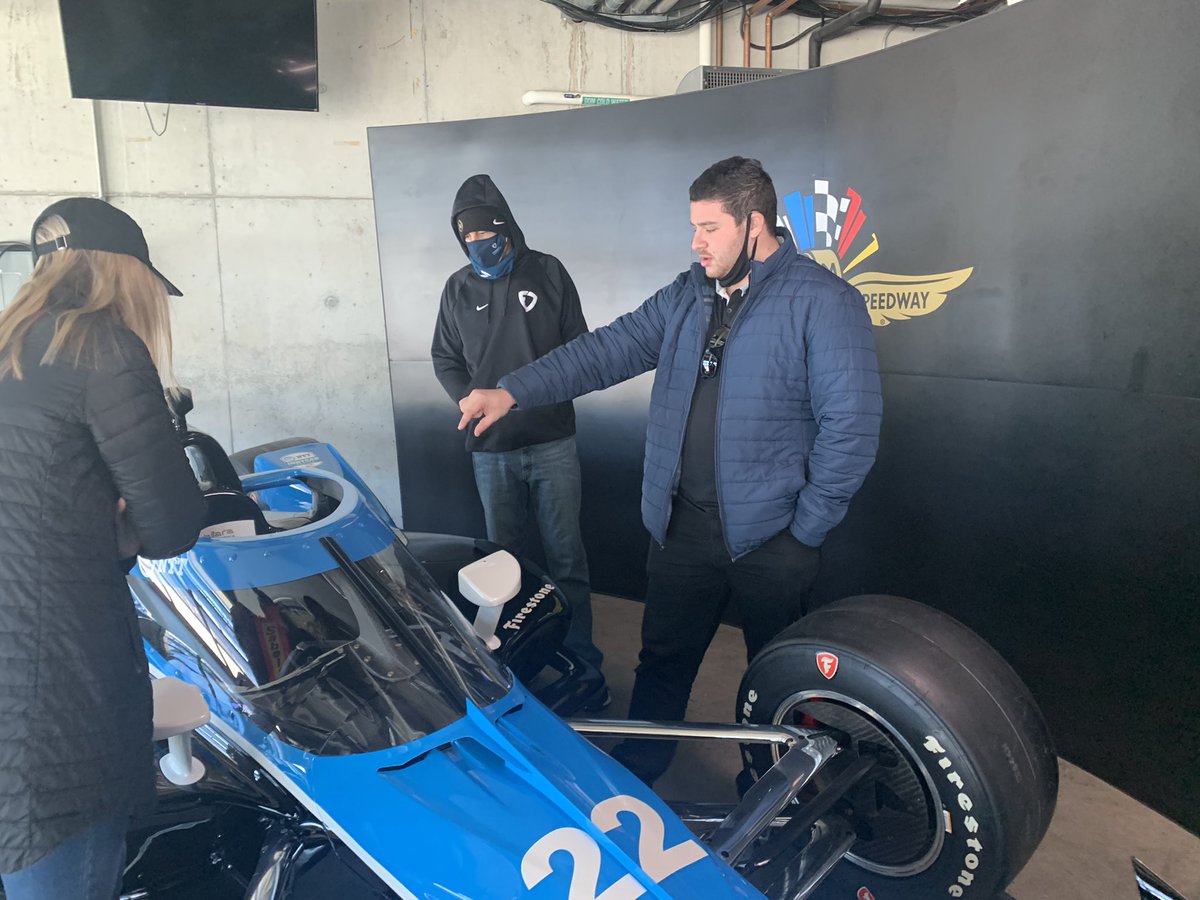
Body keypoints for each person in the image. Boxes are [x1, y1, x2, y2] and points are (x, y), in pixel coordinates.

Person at [457, 157, 882, 784]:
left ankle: (773, 790)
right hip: (682, 527)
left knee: (776, 678)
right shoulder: (687, 295)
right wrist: (511, 391)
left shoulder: (822, 301)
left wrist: (805, 533)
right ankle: (643, 768)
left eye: (710, 228)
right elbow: (606, 350)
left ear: (754, 224)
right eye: (694, 227)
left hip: (773, 538)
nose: (696, 242)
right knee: (662, 661)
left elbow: (853, 427)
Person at [0, 198, 206, 899]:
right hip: (56, 687)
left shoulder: (8, 351)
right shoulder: (104, 349)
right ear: (123, 272)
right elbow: (174, 521)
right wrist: (119, 522)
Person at [431, 174, 607, 703]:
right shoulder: (457, 288)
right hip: (491, 449)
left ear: (508, 230)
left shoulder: (549, 273)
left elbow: (580, 350)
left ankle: (583, 661)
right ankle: (518, 665)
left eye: (490, 237)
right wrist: (466, 397)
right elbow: (444, 357)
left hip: (553, 441)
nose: (481, 248)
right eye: (470, 241)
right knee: (503, 565)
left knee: (566, 558)